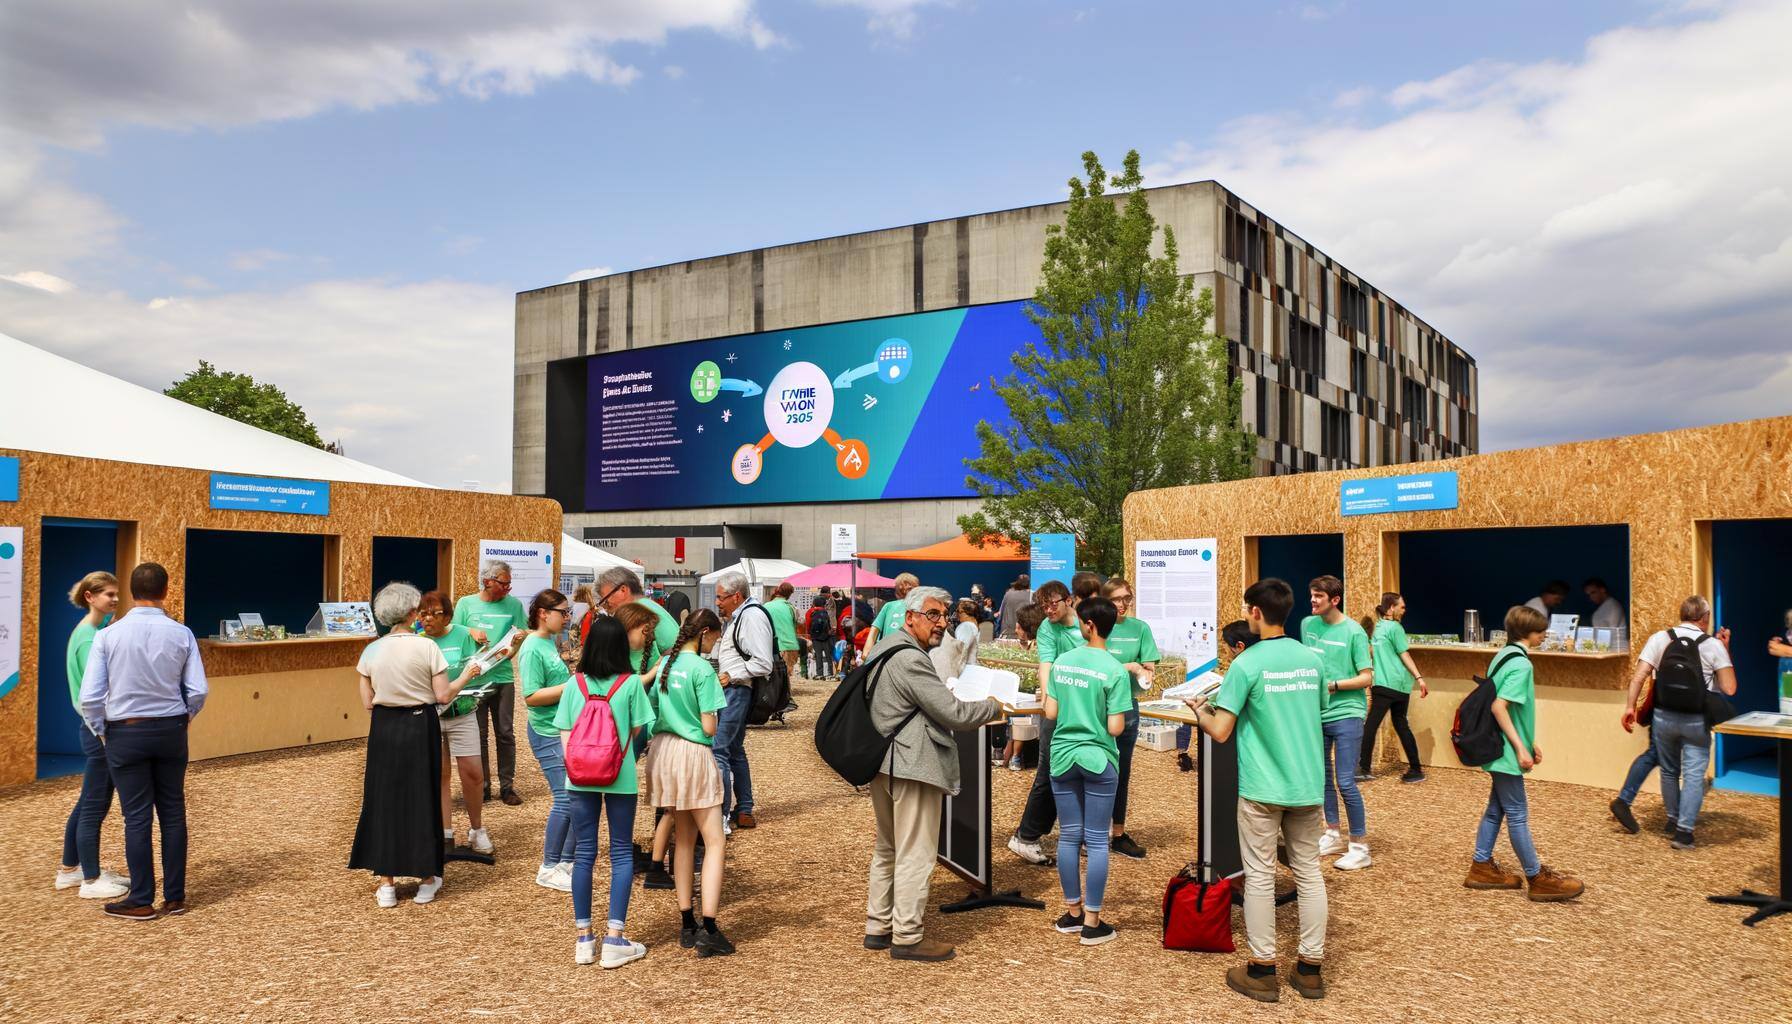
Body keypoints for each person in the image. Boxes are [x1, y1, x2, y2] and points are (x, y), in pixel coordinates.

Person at [1182, 578, 1329, 1003]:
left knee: (1261, 876)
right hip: (1306, 784)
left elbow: (1222, 731)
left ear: (1255, 613)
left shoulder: (1246, 665)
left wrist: (1200, 711)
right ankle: (1310, 968)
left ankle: (1263, 968)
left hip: (1263, 787)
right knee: (1308, 872)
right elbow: (1316, 712)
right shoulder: (1311, 659)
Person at [862, 587, 1004, 961]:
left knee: (889, 847)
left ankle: (878, 926)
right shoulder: (911, 659)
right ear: (911, 617)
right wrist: (994, 707)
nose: (942, 622)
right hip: (912, 764)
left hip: (882, 762)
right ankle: (907, 936)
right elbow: (954, 713)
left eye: (945, 615)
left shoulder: (883, 648)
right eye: (933, 615)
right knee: (916, 853)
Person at [78, 563, 208, 920]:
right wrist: (185, 719)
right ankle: (175, 897)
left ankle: (141, 898)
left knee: (136, 817)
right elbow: (197, 689)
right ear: (166, 591)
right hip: (170, 730)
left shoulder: (109, 635)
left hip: (125, 731)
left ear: (132, 592)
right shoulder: (182, 634)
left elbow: (91, 696)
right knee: (173, 811)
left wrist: (101, 730)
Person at [350, 582, 485, 908]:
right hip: (418, 724)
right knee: (422, 797)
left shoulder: (372, 650)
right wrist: (467, 674)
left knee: (384, 799)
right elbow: (442, 695)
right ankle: (426, 879)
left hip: (383, 727)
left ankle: (386, 884)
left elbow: (367, 701)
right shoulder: (427, 648)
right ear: (412, 613)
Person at [555, 616, 657, 968]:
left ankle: (584, 939)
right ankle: (615, 938)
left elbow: (565, 734)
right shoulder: (630, 685)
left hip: (579, 777)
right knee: (620, 854)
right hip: (620, 775)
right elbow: (641, 727)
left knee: (584, 854)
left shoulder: (575, 684)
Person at [1464, 605, 1585, 902]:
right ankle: (1537, 877)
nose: (1545, 635)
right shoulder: (1522, 665)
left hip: (1497, 747)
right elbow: (1499, 707)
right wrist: (1520, 747)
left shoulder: (1503, 656)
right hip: (1506, 751)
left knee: (1497, 809)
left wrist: (1528, 742)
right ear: (1528, 633)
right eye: (1541, 631)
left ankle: (1481, 866)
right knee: (1517, 814)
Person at [644, 609, 734, 957]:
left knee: (682, 839)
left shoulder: (666, 663)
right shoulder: (702, 669)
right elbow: (710, 728)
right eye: (715, 637)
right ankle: (709, 926)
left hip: (663, 751)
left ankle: (686, 922)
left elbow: (653, 709)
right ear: (706, 633)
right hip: (693, 752)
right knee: (713, 842)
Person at [1044, 596, 1132, 945]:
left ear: (1089, 624)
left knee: (1068, 835)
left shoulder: (1063, 661)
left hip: (1063, 756)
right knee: (1097, 839)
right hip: (1098, 759)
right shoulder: (1114, 668)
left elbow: (1050, 712)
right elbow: (1115, 728)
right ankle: (1093, 922)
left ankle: (1073, 913)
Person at [1620, 595, 1736, 849]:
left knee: (1669, 771)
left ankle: (1672, 820)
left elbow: (1639, 676)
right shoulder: (1712, 645)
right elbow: (1729, 688)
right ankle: (1684, 832)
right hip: (1696, 719)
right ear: (1704, 618)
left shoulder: (1660, 638)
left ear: (1682, 614)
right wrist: (1724, 649)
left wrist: (1630, 706)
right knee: (1694, 775)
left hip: (1663, 716)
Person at [55, 571, 129, 900]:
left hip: (95, 729)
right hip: (98, 731)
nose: (114, 600)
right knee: (95, 807)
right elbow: (92, 694)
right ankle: (91, 880)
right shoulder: (88, 637)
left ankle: (70, 871)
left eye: (116, 594)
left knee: (87, 801)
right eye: (108, 595)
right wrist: (103, 733)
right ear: (90, 597)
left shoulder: (97, 631)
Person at [1301, 576, 1374, 871]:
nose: (1313, 601)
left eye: (1318, 596)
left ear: (1335, 599)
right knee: (1322, 777)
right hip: (1316, 714)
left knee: (1345, 781)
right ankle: (1332, 832)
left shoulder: (1354, 632)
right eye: (1311, 595)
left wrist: (1333, 685)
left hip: (1347, 713)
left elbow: (1367, 677)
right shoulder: (1308, 625)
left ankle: (1359, 846)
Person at [1008, 580, 1082, 865]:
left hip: (1086, 708)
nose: (1049, 610)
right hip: (1060, 708)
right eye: (1044, 605)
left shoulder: (1085, 625)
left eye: (1054, 603)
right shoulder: (1047, 629)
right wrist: (1049, 699)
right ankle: (1026, 836)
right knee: (1050, 772)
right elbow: (1046, 665)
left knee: (1080, 773)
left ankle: (1080, 835)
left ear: (1069, 600)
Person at [418, 590, 494, 856]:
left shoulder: (463, 634)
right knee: (440, 774)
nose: (427, 619)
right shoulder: (419, 642)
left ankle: (477, 829)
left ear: (447, 615)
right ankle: (445, 832)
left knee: (472, 773)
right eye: (423, 613)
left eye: (434, 613)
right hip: (432, 716)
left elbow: (485, 660)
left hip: (462, 712)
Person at [453, 560, 529, 805]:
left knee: (505, 732)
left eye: (509, 584)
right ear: (488, 581)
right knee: (478, 734)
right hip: (473, 678)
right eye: (503, 584)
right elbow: (454, 631)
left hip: (503, 677)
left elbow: (523, 633)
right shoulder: (466, 604)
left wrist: (519, 639)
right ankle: (482, 786)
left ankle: (507, 787)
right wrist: (469, 631)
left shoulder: (514, 605)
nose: (508, 589)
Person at [519, 589, 580, 891]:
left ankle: (566, 862)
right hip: (546, 732)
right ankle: (548, 865)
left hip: (560, 728)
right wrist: (572, 685)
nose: (568, 617)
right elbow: (531, 697)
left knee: (576, 796)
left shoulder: (546, 642)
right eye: (563, 612)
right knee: (566, 798)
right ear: (544, 613)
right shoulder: (532, 647)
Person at [1099, 576, 1158, 860]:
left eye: (1126, 598)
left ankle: (1118, 834)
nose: (1122, 604)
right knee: (1095, 769)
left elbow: (1149, 671)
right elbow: (1093, 665)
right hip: (1095, 708)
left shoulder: (1140, 629)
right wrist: (1128, 666)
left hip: (1127, 708)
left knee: (1121, 772)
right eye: (1116, 599)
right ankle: (1093, 834)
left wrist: (1143, 672)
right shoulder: (1096, 626)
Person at [713, 571, 773, 830]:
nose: (717, 602)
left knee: (719, 751)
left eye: (720, 597)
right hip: (737, 689)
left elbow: (763, 662)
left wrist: (729, 675)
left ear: (736, 596)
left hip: (737, 690)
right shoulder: (744, 616)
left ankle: (722, 815)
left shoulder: (751, 617)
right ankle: (744, 808)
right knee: (735, 750)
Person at [1357, 592, 1428, 783]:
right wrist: (1418, 678)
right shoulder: (1387, 628)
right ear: (1391, 608)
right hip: (1396, 685)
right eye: (1402, 607)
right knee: (1400, 724)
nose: (1404, 610)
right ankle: (1415, 769)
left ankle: (1363, 768)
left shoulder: (1384, 628)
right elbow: (1398, 654)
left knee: (1372, 724)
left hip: (1388, 684)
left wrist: (1419, 677)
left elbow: (1403, 655)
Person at [1176, 620, 1255, 772]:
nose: (1225, 654)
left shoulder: (1240, 668)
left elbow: (1219, 731)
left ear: (1239, 646)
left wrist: (1202, 710)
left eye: (1226, 649)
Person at [866, 573, 919, 648]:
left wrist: (866, 653)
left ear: (897, 592)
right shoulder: (919, 607)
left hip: (887, 650)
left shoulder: (889, 606)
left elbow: (874, 631)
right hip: (910, 650)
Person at [765, 581, 801, 679]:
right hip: (790, 645)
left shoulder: (766, 606)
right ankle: (785, 693)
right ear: (789, 595)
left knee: (774, 676)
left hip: (772, 646)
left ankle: (779, 693)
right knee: (786, 676)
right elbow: (797, 623)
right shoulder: (791, 607)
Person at [806, 587, 837, 679]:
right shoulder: (825, 611)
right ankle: (830, 673)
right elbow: (829, 622)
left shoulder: (811, 611)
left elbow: (808, 623)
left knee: (818, 655)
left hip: (815, 637)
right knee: (828, 655)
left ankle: (820, 674)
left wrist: (809, 634)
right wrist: (830, 631)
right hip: (826, 636)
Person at [997, 574, 1033, 639]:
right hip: (1024, 635)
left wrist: (998, 631)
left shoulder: (1008, 594)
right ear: (1028, 584)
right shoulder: (1032, 595)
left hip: (1007, 633)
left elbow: (1001, 614)